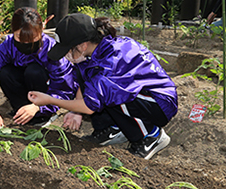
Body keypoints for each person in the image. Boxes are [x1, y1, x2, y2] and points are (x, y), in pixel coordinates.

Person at [28, 13, 178, 160]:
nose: (66, 55)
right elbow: (85, 83)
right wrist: (74, 111)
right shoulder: (95, 51)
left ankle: (150, 136)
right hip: (142, 96)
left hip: (159, 103)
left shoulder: (110, 63)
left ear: (82, 45)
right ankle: (111, 129)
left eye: (67, 50)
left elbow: (89, 106)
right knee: (96, 83)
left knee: (113, 92)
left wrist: (50, 100)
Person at [0, 7, 77, 129]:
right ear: (13, 31)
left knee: (34, 71)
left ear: (42, 30)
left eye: (32, 38)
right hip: (22, 86)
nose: (25, 43)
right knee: (4, 72)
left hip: (43, 92)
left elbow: (64, 88)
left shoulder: (51, 50)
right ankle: (21, 110)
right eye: (19, 37)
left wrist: (37, 107)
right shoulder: (8, 46)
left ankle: (42, 115)